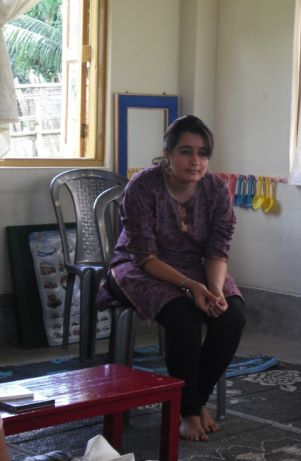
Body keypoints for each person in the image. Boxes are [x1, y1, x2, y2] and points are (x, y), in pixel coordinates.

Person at [98, 115, 245, 441]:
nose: (196, 161)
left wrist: (214, 290)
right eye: (185, 152)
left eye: (203, 153)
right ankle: (189, 411)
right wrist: (191, 286)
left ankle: (194, 399)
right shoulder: (143, 186)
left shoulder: (216, 189)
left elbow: (217, 251)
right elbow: (144, 255)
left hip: (196, 266)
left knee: (231, 314)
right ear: (167, 154)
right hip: (139, 268)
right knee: (184, 315)